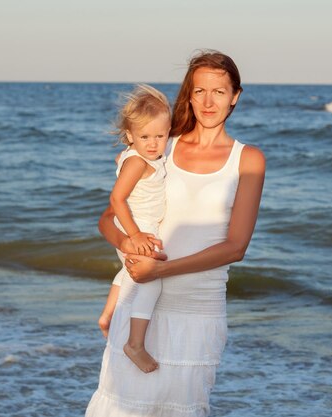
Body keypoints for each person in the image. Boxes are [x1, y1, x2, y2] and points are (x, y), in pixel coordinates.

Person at [86, 50, 266, 417]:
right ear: (188, 94)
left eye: (219, 91)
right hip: (141, 305)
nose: (208, 101)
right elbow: (108, 217)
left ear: (236, 96)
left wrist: (161, 270)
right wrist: (129, 246)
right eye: (199, 91)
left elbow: (235, 248)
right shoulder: (160, 144)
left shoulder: (247, 159)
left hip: (198, 308)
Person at [99, 84, 171, 374]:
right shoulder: (138, 163)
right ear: (130, 136)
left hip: (137, 224)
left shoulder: (136, 154)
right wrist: (134, 235)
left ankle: (107, 316)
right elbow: (116, 198)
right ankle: (135, 344)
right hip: (135, 225)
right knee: (151, 280)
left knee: (127, 272)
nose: (153, 143)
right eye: (144, 137)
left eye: (160, 136)